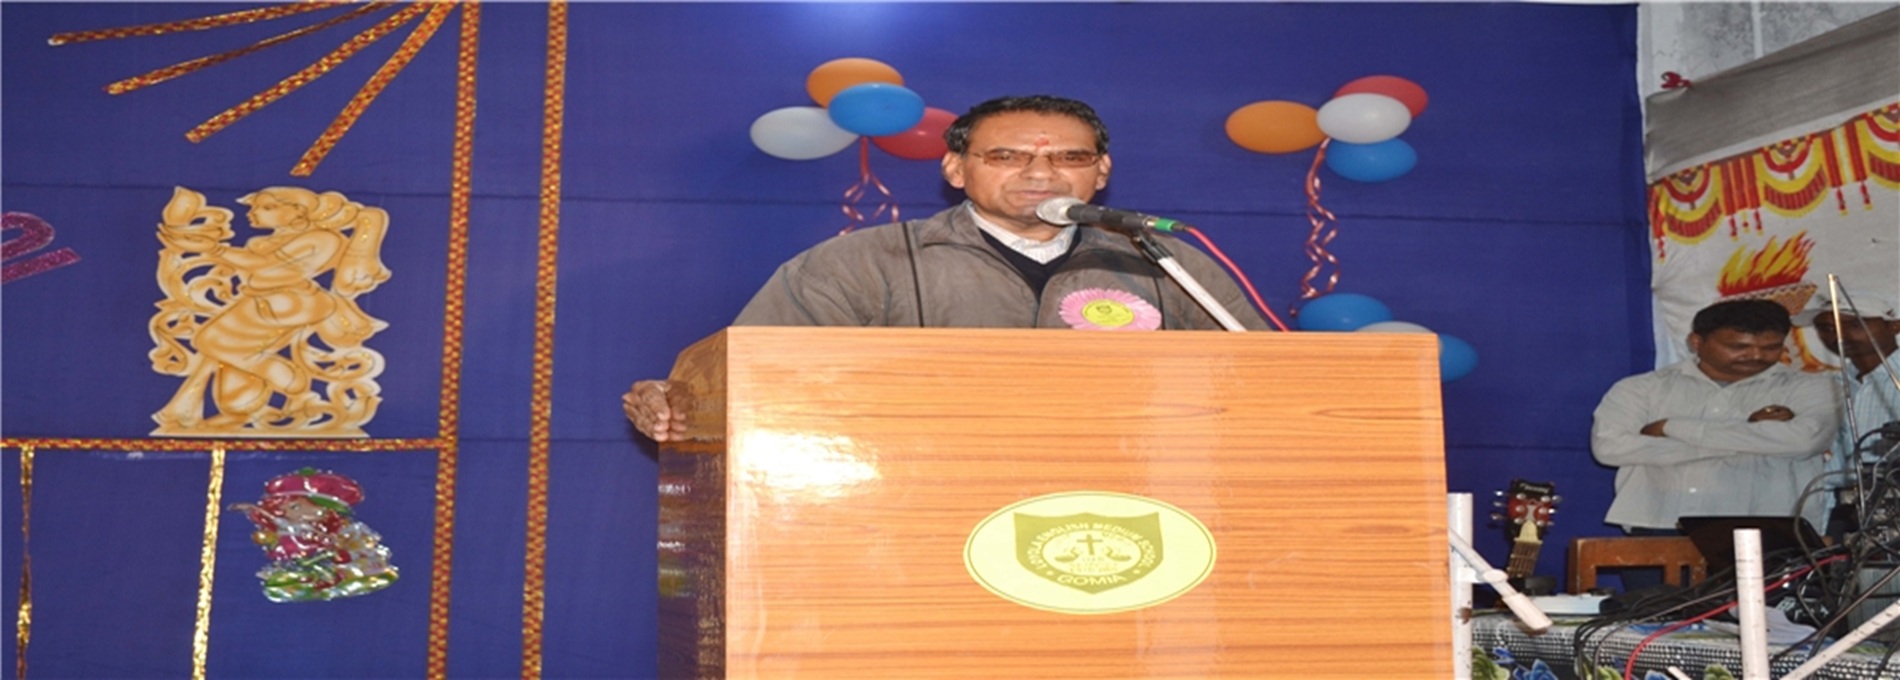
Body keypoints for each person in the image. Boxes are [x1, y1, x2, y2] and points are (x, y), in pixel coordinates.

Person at [624, 95, 1269, 440]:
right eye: (1006, 157)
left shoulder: (1165, 263)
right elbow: (747, 377)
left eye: (1069, 158)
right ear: (956, 169)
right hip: (920, 505)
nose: (1040, 173)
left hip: (1134, 494)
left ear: (1100, 173)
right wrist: (674, 401)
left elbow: (1267, 385)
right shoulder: (860, 264)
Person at [1591, 299, 1839, 547]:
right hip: (1659, 522)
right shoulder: (1641, 389)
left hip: (1768, 528)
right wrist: (1750, 435)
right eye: (1738, 346)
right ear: (1696, 342)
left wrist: (1671, 427)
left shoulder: (1812, 387)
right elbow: (1610, 449)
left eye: (1771, 347)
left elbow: (1806, 441)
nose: (1756, 355)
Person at [1796, 288, 1900, 537]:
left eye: (1854, 324)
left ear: (1894, 326)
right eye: (1827, 328)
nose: (1839, 336)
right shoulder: (1832, 385)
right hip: (1844, 511)